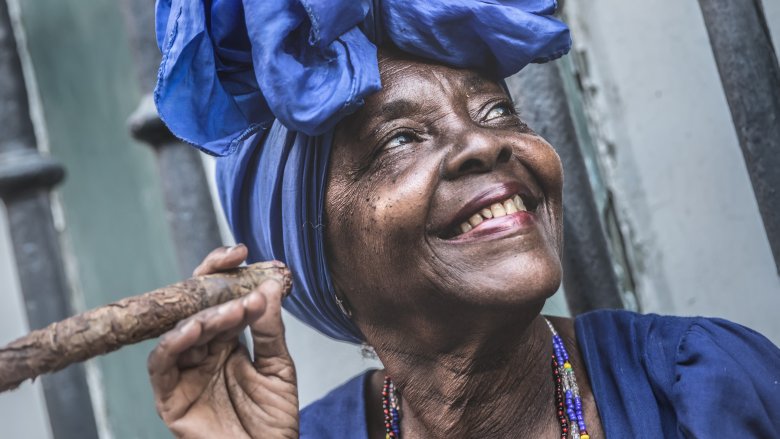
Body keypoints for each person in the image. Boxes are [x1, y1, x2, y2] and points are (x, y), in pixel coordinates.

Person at [147, 1, 780, 437]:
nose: (485, 143)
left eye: (498, 110)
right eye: (400, 139)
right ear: (316, 258)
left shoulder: (705, 387)